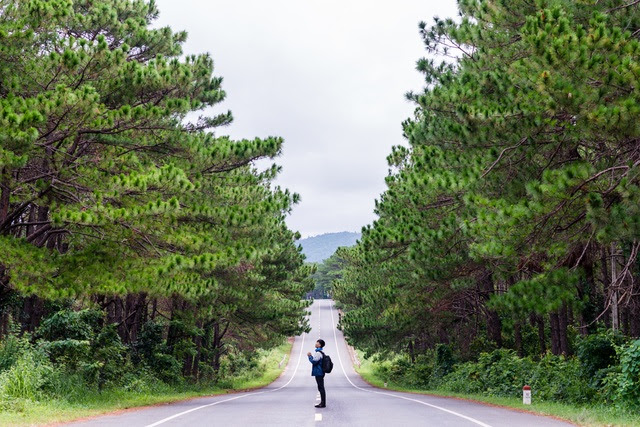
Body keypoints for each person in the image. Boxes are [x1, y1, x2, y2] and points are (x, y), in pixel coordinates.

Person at [307, 339, 326, 408]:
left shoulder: (318, 353)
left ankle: (323, 403)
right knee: (320, 387)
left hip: (319, 372)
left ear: (320, 345)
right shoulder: (320, 352)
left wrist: (309, 356)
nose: (316, 343)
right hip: (320, 372)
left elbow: (314, 362)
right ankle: (322, 402)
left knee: (321, 388)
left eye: (317, 342)